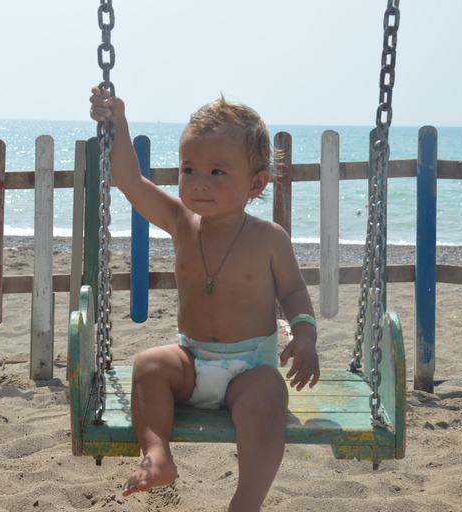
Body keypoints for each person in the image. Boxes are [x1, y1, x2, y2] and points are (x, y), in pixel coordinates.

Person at [89, 87, 320, 512]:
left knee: (269, 395)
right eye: (189, 168)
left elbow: (293, 291)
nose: (199, 182)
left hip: (250, 367)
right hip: (191, 359)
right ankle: (157, 454)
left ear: (256, 183)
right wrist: (116, 123)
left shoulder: (269, 238)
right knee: (148, 364)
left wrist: (305, 334)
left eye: (217, 172)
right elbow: (130, 181)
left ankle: (246, 502)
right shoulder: (181, 221)